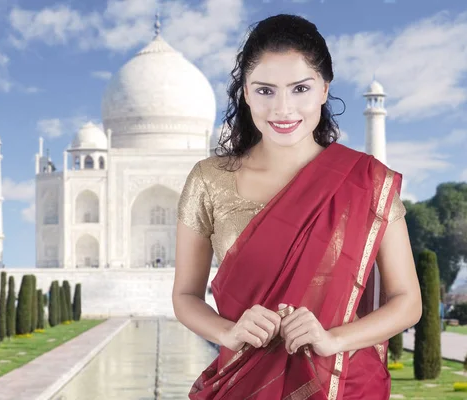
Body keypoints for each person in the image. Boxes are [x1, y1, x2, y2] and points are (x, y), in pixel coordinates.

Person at [172, 14, 422, 400]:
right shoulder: (209, 179)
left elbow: (408, 301)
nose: (283, 109)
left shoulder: (366, 181)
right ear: (245, 93)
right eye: (265, 90)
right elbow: (185, 295)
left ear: (324, 89)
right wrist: (228, 332)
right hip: (244, 380)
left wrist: (332, 339)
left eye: (300, 88)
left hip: (343, 383)